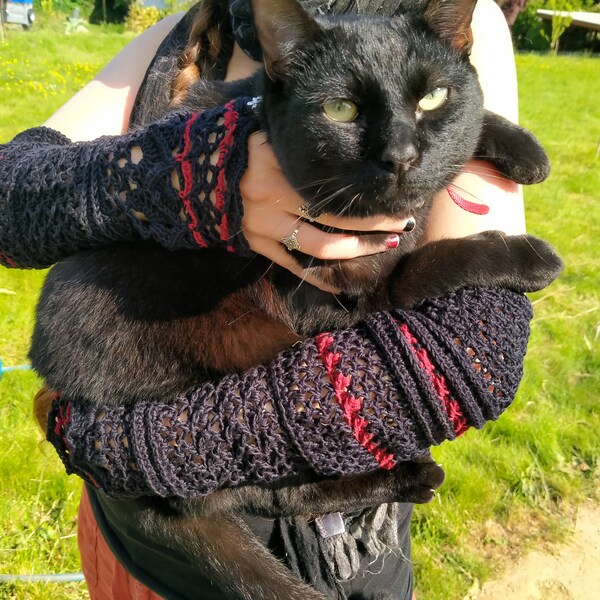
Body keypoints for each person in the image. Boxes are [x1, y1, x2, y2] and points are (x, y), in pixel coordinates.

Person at [0, 0, 535, 598]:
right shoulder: (187, 34)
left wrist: (145, 449)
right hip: (130, 543)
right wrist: (189, 174)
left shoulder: (445, 21)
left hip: (320, 555)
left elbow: (470, 354)